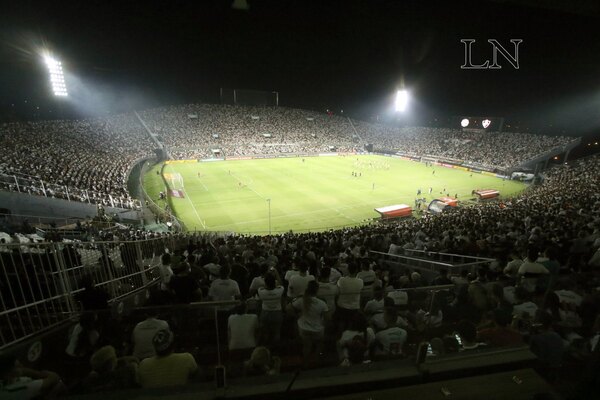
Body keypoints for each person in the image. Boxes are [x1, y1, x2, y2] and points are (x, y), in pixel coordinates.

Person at [290, 281, 328, 367]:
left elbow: (288, 308)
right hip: (318, 329)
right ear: (317, 290)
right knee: (319, 344)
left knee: (306, 347)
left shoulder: (301, 300)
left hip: (304, 328)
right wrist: (322, 323)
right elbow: (327, 317)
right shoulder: (322, 303)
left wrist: (297, 316)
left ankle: (306, 363)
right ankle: (317, 360)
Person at [0, 353, 66, 399]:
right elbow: (54, 377)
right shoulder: (18, 389)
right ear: (10, 372)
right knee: (59, 384)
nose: (22, 367)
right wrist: (40, 373)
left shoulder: (7, 382)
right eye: (18, 366)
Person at [257, 273, 284, 345]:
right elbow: (281, 284)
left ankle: (266, 346)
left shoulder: (261, 291)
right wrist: (277, 273)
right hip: (277, 312)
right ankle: (276, 348)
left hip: (265, 313)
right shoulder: (279, 291)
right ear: (274, 282)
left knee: (265, 332)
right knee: (277, 332)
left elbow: (262, 286)